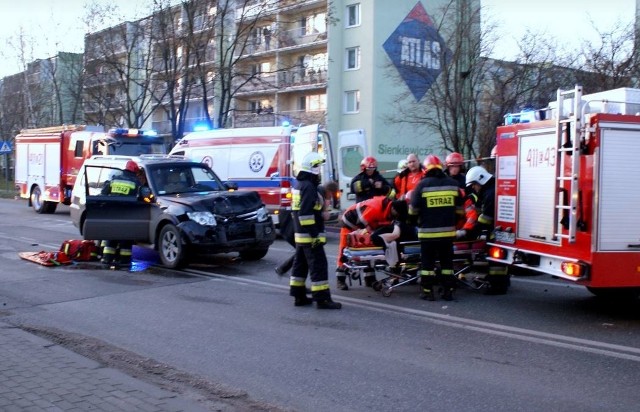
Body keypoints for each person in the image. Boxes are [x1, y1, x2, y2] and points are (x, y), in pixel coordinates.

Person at [289, 152, 342, 309]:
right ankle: (322, 299)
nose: (319, 170)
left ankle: (298, 296)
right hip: (310, 236)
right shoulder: (309, 187)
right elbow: (305, 214)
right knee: (319, 265)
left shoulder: (300, 184)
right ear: (311, 168)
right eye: (317, 167)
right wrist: (315, 235)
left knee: (301, 265)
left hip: (300, 234)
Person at [409, 155, 461, 301]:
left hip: (427, 235)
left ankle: (428, 292)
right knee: (447, 264)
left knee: (427, 265)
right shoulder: (452, 184)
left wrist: (417, 221)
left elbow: (413, 211)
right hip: (448, 234)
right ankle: (448, 291)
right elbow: (460, 211)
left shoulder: (421, 185)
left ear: (426, 169)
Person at [457, 165, 510, 295]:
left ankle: (497, 287)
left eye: (474, 185)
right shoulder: (489, 190)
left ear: (481, 180)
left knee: (496, 261)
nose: (474, 188)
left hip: (497, 231)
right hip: (499, 230)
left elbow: (485, 220)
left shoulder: (490, 193)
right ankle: (499, 281)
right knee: (499, 260)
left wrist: (467, 233)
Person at [335, 191, 395, 290]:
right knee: (344, 250)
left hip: (361, 224)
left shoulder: (386, 209)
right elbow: (363, 221)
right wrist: (370, 233)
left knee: (368, 250)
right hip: (350, 222)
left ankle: (369, 278)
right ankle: (340, 279)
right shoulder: (375, 208)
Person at [275, 182, 337, 277]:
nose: (331, 197)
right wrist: (315, 235)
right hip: (299, 228)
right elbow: (315, 216)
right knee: (305, 256)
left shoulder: (316, 191)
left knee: (302, 254)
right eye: (331, 195)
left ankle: (283, 270)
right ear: (329, 191)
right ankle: (285, 271)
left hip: (297, 226)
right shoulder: (318, 195)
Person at [100, 160, 147, 269]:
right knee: (125, 239)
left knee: (111, 238)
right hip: (126, 214)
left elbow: (104, 193)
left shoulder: (115, 178)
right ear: (135, 170)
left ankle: (106, 259)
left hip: (113, 213)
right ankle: (124, 261)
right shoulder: (136, 182)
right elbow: (141, 198)